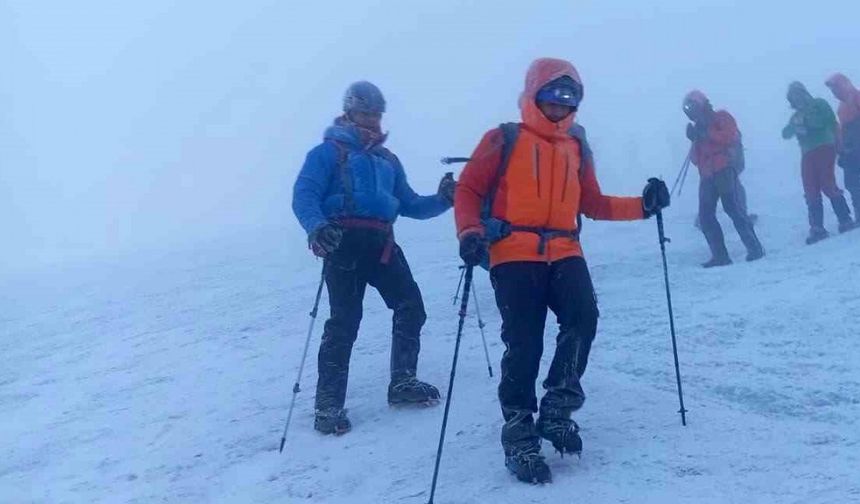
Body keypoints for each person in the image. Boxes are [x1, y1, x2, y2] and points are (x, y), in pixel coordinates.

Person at [453, 57, 670, 484]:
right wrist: (469, 232)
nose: (561, 103)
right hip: (513, 252)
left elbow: (593, 202)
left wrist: (643, 207)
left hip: (566, 248)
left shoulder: (575, 145)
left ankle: (557, 406)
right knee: (525, 342)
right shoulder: (504, 138)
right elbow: (469, 189)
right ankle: (519, 432)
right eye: (553, 94)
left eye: (570, 96)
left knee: (583, 318)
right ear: (535, 92)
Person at [292, 81, 455, 435]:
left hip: (381, 244)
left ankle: (403, 382)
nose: (371, 121)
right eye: (365, 113)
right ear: (349, 112)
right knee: (344, 322)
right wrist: (317, 227)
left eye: (376, 115)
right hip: (343, 243)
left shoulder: (387, 160)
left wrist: (443, 199)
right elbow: (304, 195)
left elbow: (410, 204)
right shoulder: (327, 153)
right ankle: (328, 406)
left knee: (411, 306)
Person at [683, 90, 764, 267]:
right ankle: (720, 256)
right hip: (707, 175)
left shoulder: (721, 117)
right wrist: (694, 139)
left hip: (724, 170)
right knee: (705, 217)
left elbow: (729, 136)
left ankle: (755, 248)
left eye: (694, 107)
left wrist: (705, 133)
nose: (693, 112)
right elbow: (696, 159)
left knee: (734, 210)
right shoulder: (699, 128)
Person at [782, 81, 856, 244]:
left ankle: (845, 219)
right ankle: (817, 227)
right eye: (793, 97)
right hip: (807, 153)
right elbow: (785, 133)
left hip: (824, 146)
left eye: (799, 94)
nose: (797, 99)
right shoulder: (796, 116)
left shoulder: (818, 104)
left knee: (827, 183)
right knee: (810, 188)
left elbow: (827, 120)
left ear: (804, 93)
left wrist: (805, 124)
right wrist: (795, 126)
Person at [825, 73, 860, 219]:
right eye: (832, 90)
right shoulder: (841, 107)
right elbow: (841, 130)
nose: (834, 93)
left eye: (836, 88)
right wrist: (841, 149)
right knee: (852, 183)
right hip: (850, 151)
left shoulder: (857, 97)